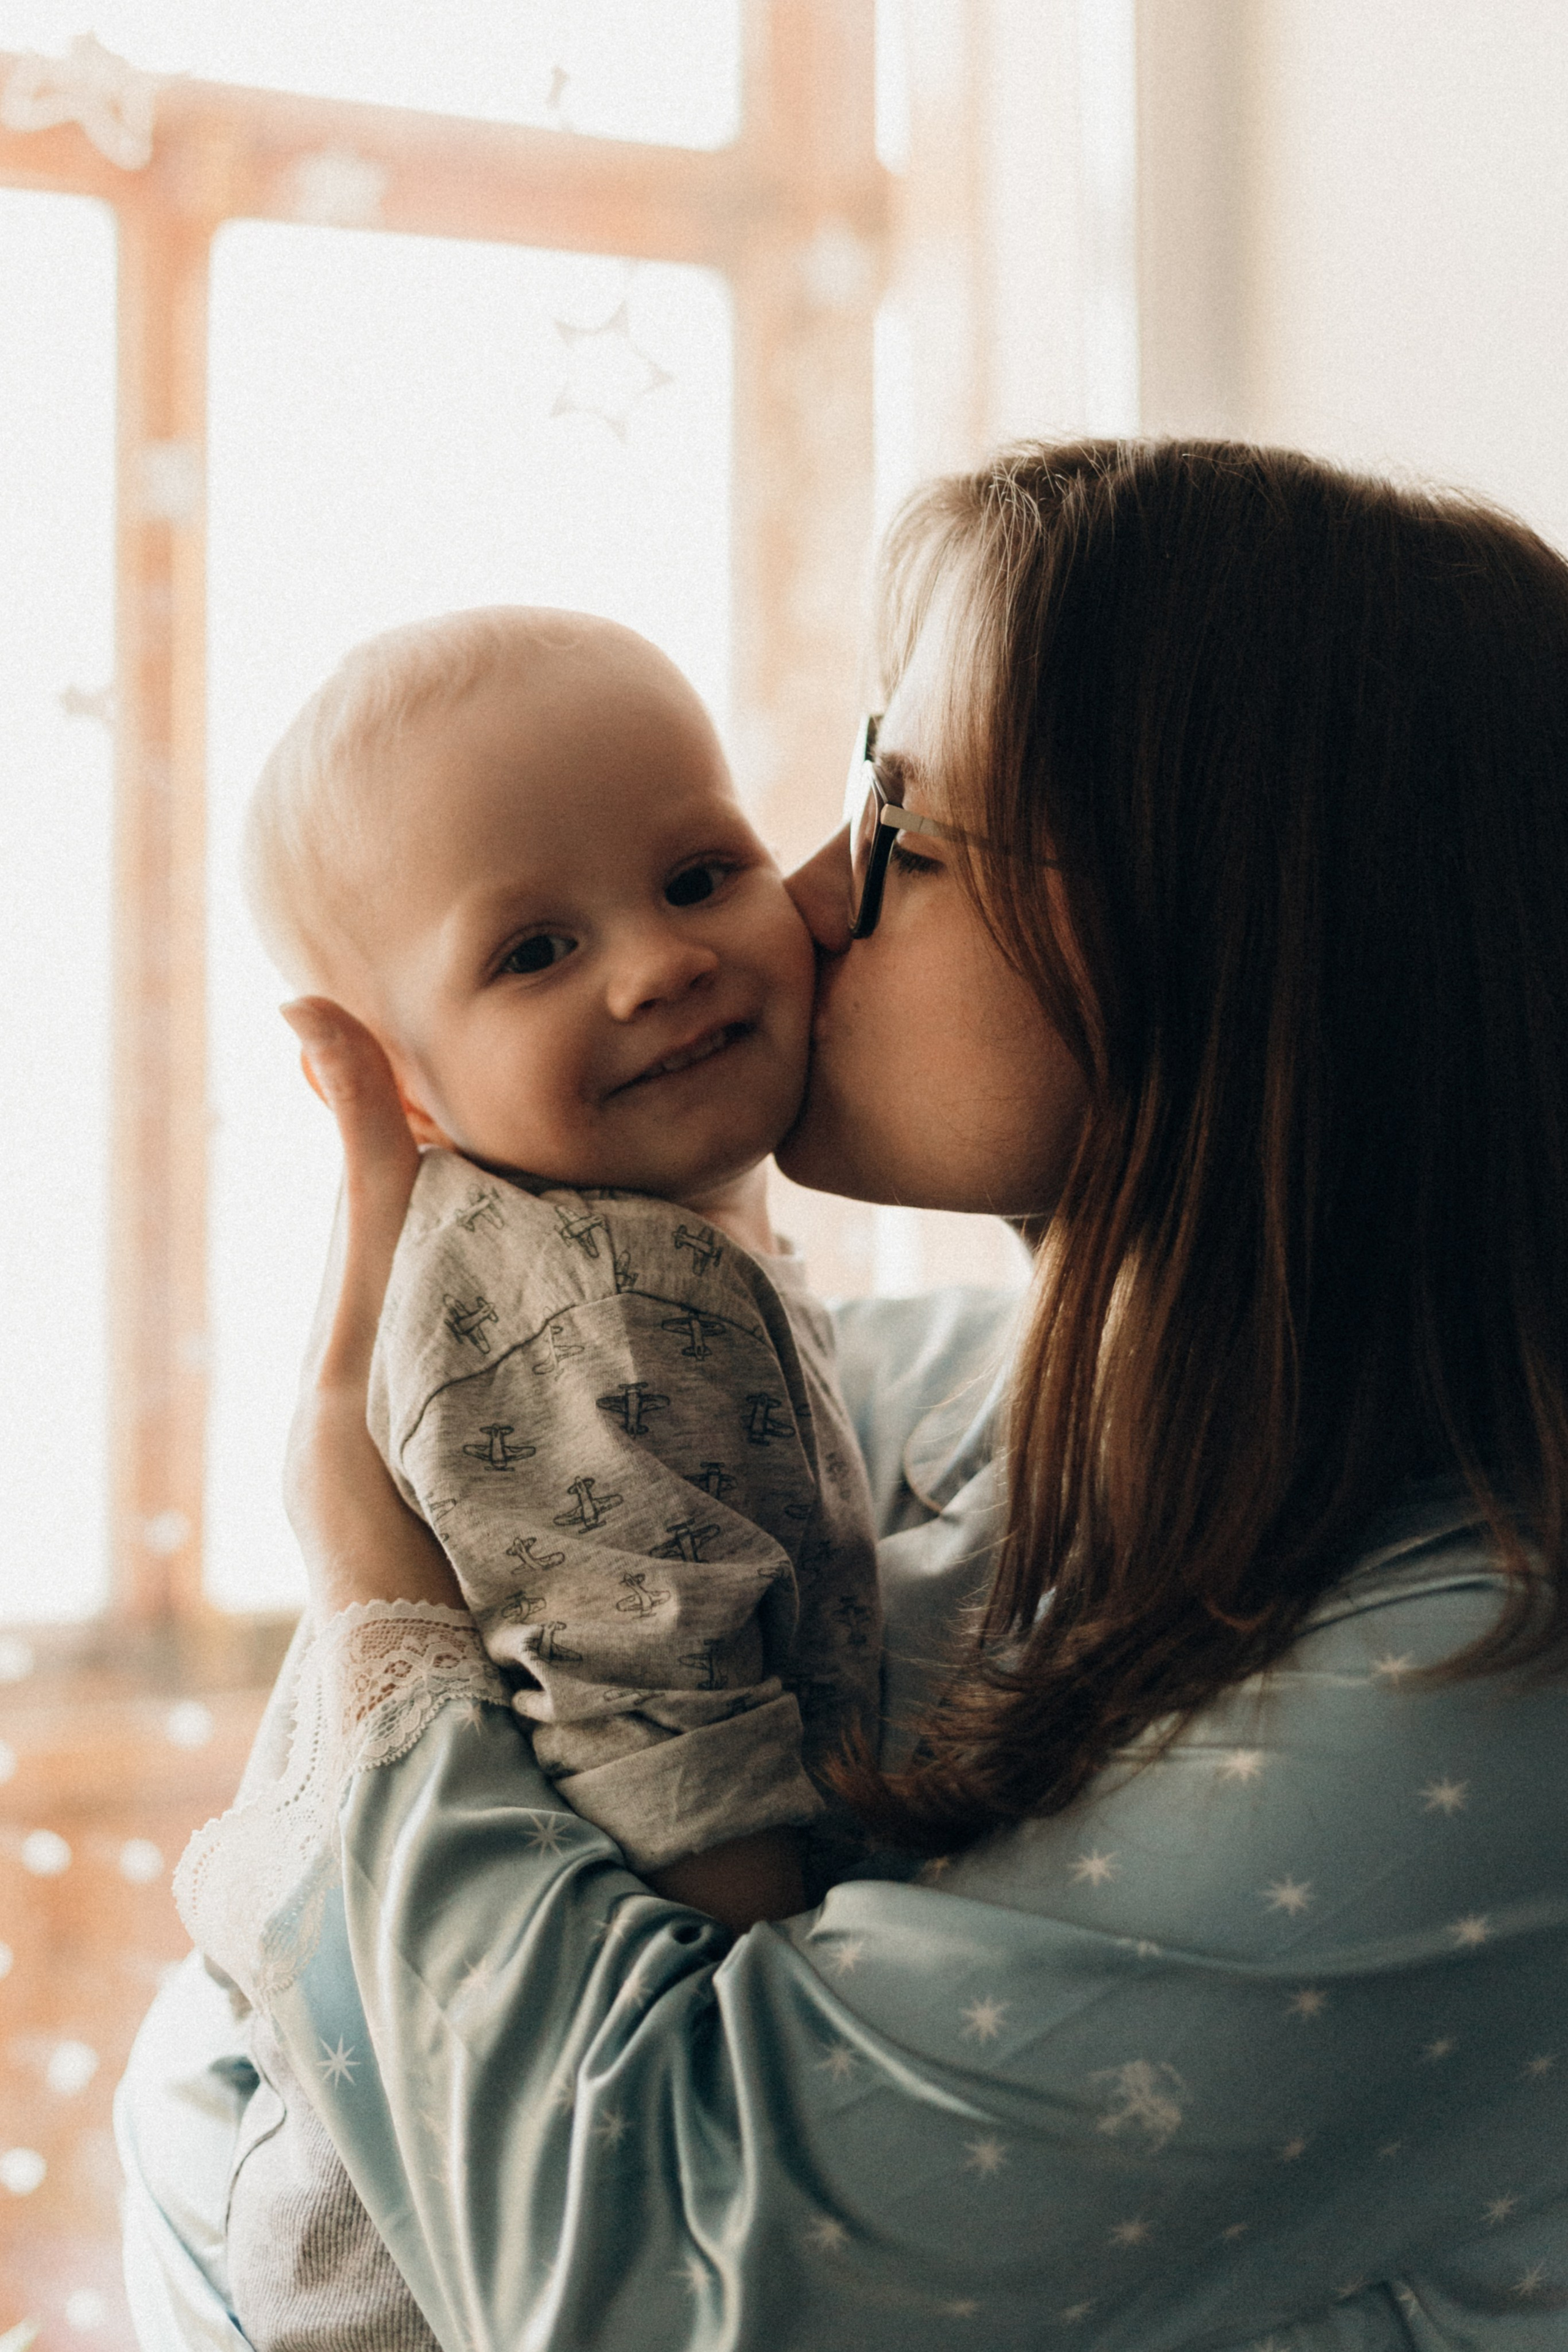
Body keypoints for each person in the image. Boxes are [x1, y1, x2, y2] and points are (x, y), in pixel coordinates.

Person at [119, 439, 1568, 2350]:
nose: (801, 899)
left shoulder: (1482, 1702)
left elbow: (651, 2288)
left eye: (904, 827)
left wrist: (363, 1563)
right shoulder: (966, 1397)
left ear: (1224, 942)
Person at [182, 608, 883, 2350]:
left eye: (702, 871)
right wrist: (804, 2035)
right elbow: (657, 1759)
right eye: (538, 949)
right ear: (401, 1090)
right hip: (437, 2243)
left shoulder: (663, 1244)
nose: (659, 965)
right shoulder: (591, 1308)